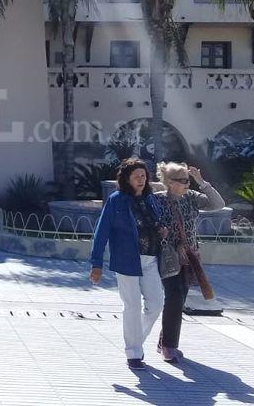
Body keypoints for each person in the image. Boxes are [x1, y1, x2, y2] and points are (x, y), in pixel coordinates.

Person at [89, 157, 167, 371]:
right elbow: (101, 232)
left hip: (151, 259)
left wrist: (161, 231)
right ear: (127, 179)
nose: (141, 180)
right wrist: (96, 263)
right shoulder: (117, 200)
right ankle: (133, 353)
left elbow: (156, 223)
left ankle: (135, 341)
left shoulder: (150, 199)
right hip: (126, 260)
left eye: (143, 176)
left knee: (156, 304)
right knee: (131, 306)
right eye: (136, 176)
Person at [154, 162, 225, 363]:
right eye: (182, 180)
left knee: (179, 299)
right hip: (167, 256)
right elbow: (147, 223)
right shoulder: (156, 200)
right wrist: (161, 234)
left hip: (189, 256)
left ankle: (164, 341)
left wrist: (201, 181)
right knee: (174, 298)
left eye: (188, 180)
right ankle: (169, 346)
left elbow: (218, 204)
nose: (187, 184)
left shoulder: (192, 198)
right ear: (169, 182)